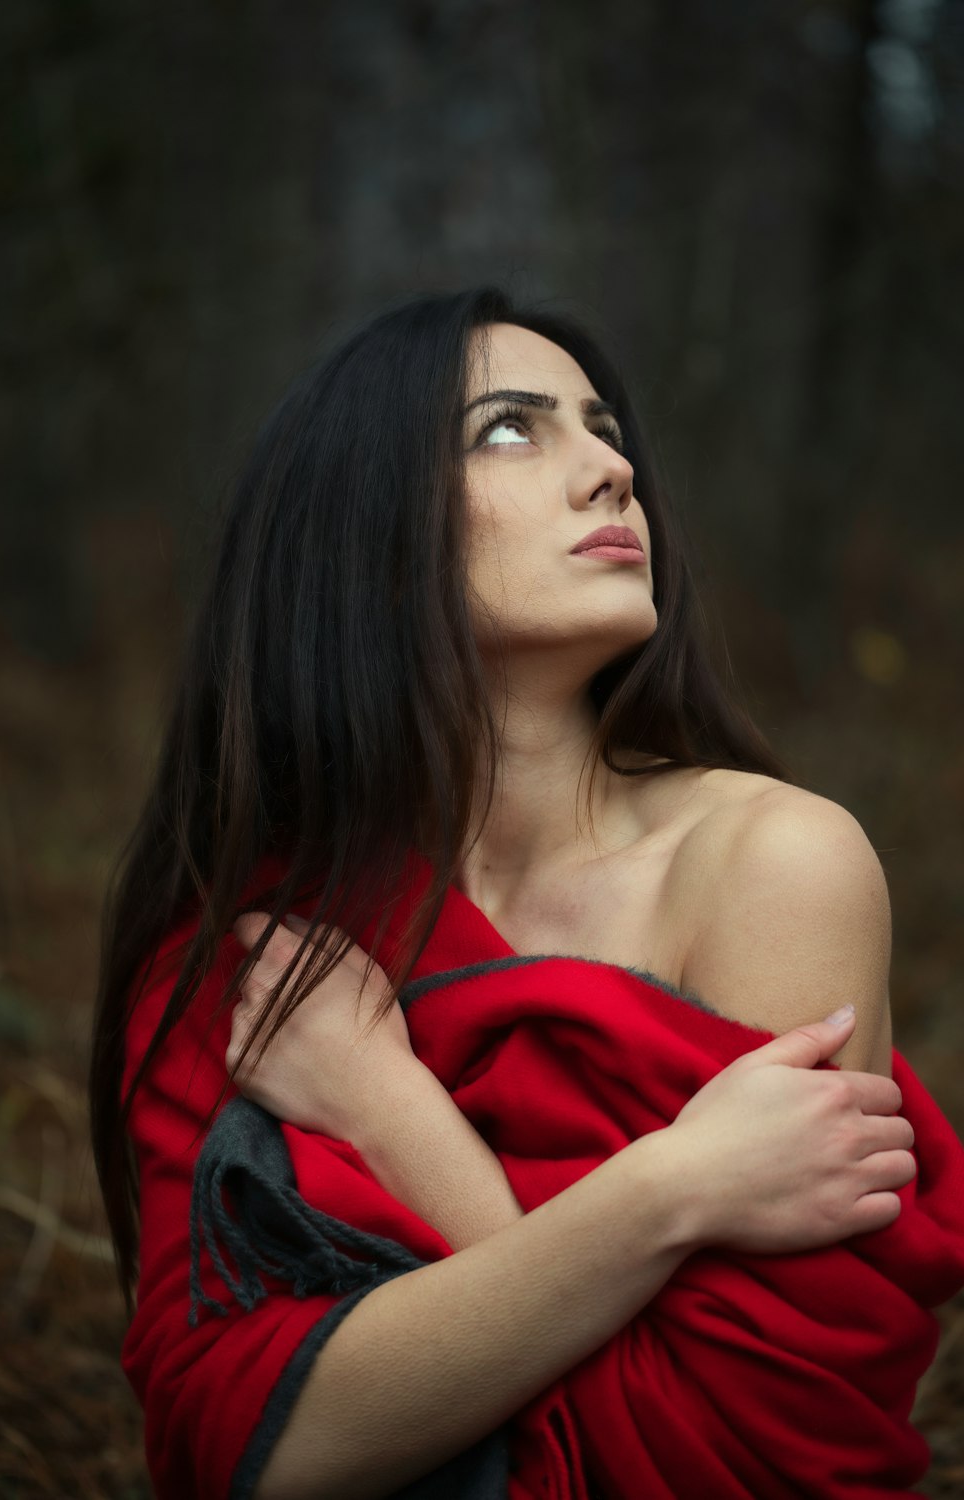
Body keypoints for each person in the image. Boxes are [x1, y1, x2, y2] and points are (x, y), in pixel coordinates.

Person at [90, 287, 964, 1500]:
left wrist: (393, 1118)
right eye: (513, 427)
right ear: (367, 535)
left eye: (606, 429)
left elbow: (735, 1454)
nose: (612, 470)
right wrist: (673, 1190)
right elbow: (251, 1448)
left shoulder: (773, 864)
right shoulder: (256, 950)